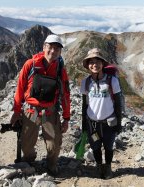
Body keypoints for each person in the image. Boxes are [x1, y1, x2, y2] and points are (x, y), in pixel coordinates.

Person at [10, 34, 70, 176]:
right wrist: (17, 111)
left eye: (57, 49)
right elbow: (20, 88)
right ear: (44, 47)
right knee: (26, 144)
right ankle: (30, 161)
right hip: (31, 111)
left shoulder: (60, 70)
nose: (53, 51)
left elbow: (66, 95)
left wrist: (66, 118)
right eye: (50, 47)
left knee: (54, 144)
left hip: (50, 112)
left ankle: (51, 164)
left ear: (60, 52)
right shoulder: (30, 64)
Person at [80, 48, 122, 179]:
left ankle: (108, 167)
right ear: (87, 65)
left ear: (103, 64)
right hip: (92, 124)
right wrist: (84, 125)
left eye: (98, 61)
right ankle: (99, 165)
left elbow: (118, 104)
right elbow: (84, 104)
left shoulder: (112, 81)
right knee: (96, 147)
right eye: (91, 62)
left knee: (109, 147)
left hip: (109, 123)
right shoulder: (85, 82)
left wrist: (119, 123)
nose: (94, 64)